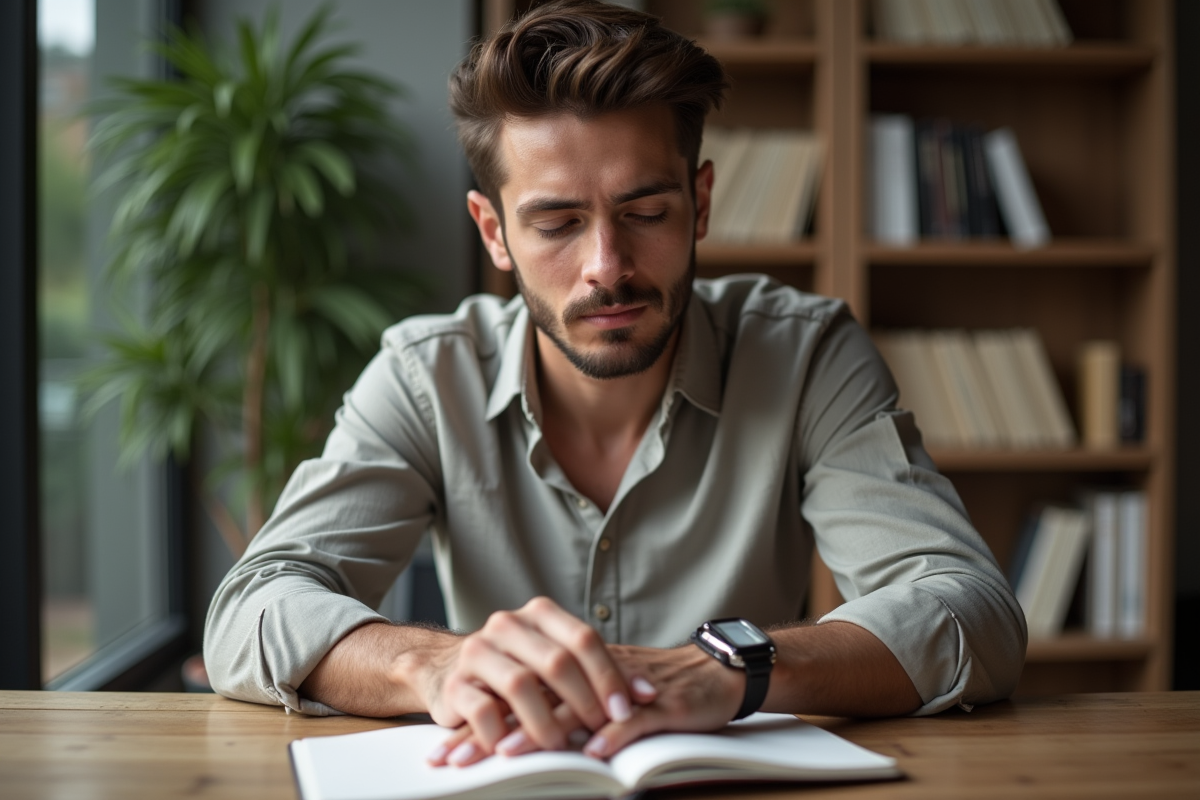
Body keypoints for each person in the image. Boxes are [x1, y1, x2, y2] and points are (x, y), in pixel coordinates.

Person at [204, 0, 1026, 767]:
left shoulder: (807, 354)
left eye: (646, 212)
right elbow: (251, 610)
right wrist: (437, 663)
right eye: (557, 223)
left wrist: (728, 669)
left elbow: (971, 611)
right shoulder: (427, 375)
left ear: (699, 204)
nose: (607, 268)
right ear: (494, 232)